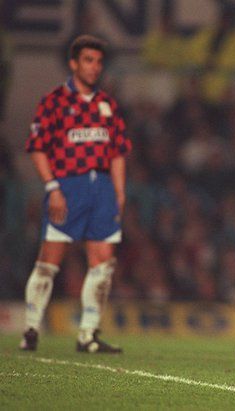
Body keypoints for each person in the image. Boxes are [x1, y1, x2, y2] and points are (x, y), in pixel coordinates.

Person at [20, 35, 131, 353]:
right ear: (73, 63)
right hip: (69, 186)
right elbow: (38, 148)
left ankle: (88, 334)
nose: (94, 67)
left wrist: (120, 193)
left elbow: (119, 152)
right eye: (88, 60)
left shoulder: (108, 104)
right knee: (49, 262)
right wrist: (52, 187)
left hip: (103, 188)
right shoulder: (53, 101)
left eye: (98, 61)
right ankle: (30, 328)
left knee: (103, 263)